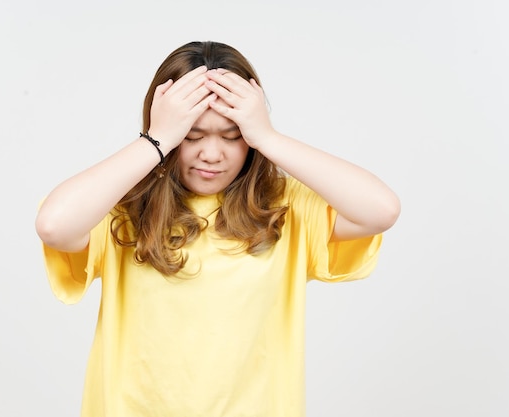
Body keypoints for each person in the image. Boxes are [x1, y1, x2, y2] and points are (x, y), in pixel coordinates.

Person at [35, 40, 400, 417]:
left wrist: (268, 137)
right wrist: (156, 140)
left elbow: (380, 209)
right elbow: (54, 225)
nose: (211, 154)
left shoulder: (283, 208)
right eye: (191, 136)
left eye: (231, 136)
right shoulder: (122, 208)